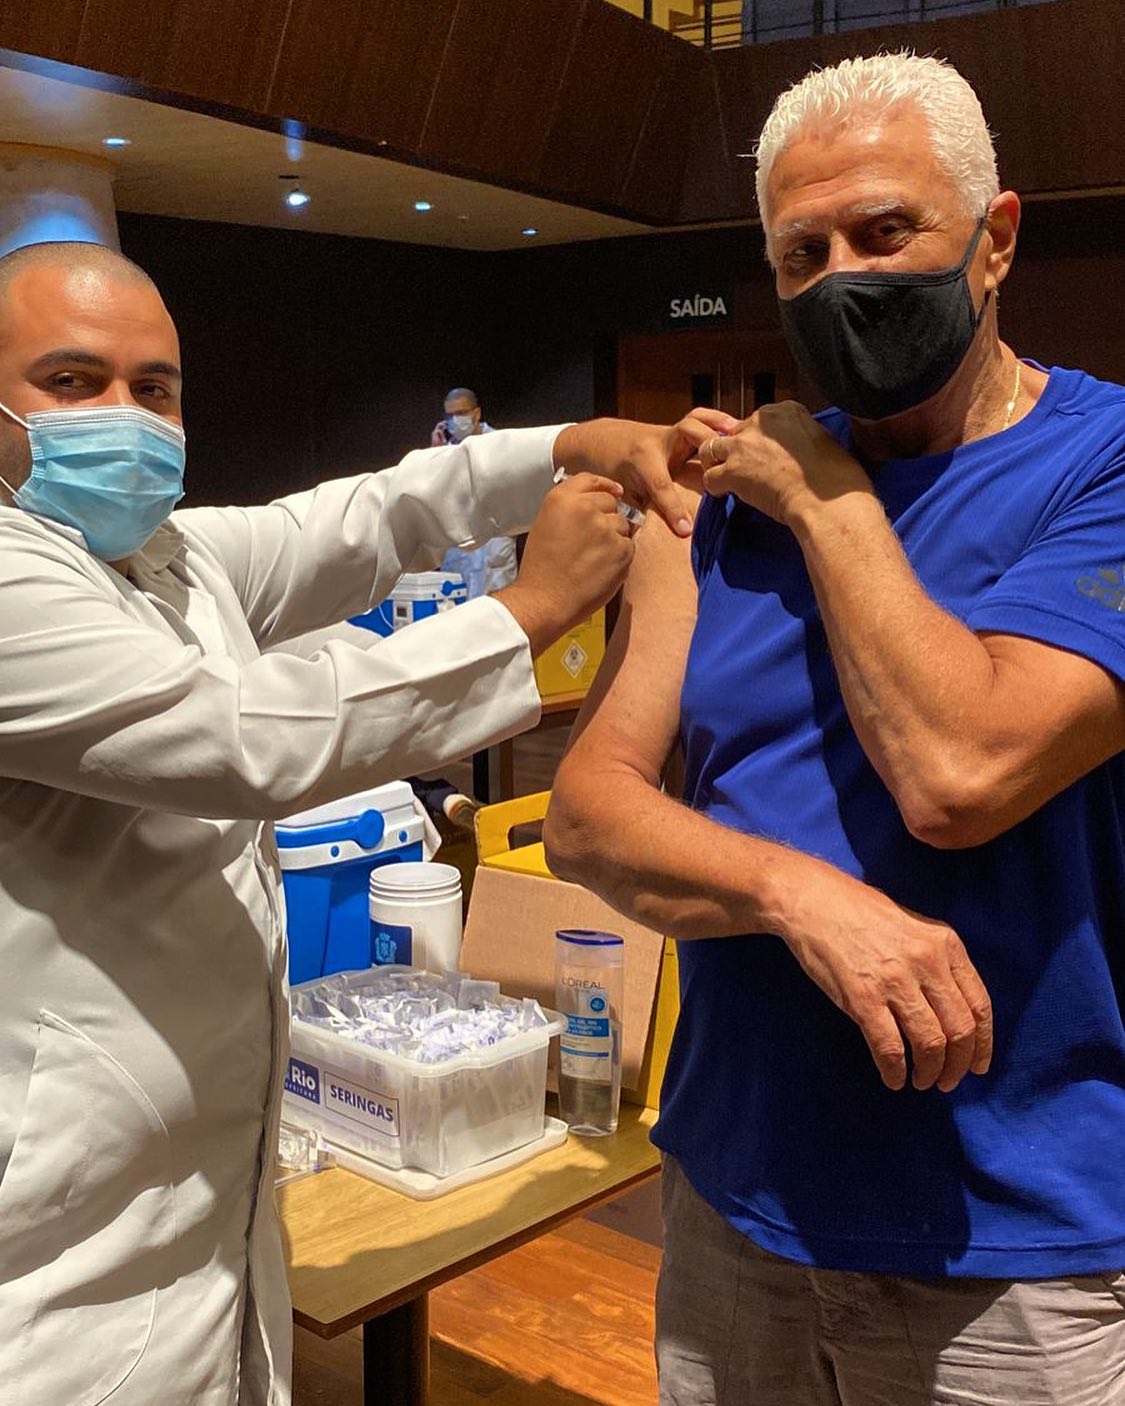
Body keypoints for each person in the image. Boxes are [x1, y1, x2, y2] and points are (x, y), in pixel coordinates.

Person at [0, 239, 717, 1405]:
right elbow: (252, 738)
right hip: (54, 1236)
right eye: (73, 382)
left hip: (197, 1189)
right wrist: (532, 605)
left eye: (155, 387)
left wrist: (577, 445)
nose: (125, 416)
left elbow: (369, 515)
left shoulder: (168, 560)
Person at [545, 52, 1124, 1405]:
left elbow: (960, 768)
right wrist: (798, 894)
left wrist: (822, 497)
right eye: (800, 254)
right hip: (734, 1200)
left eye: (883, 232)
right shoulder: (712, 509)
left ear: (995, 241)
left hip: (1013, 1241)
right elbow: (589, 812)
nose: (840, 280)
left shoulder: (1097, 465)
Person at [430, 386, 519, 597]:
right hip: (459, 549)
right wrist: (435, 456)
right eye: (450, 415)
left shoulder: (501, 444)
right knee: (458, 607)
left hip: (494, 547)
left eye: (461, 413)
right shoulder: (445, 450)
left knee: (497, 607)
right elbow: (433, 497)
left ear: (476, 413)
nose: (455, 420)